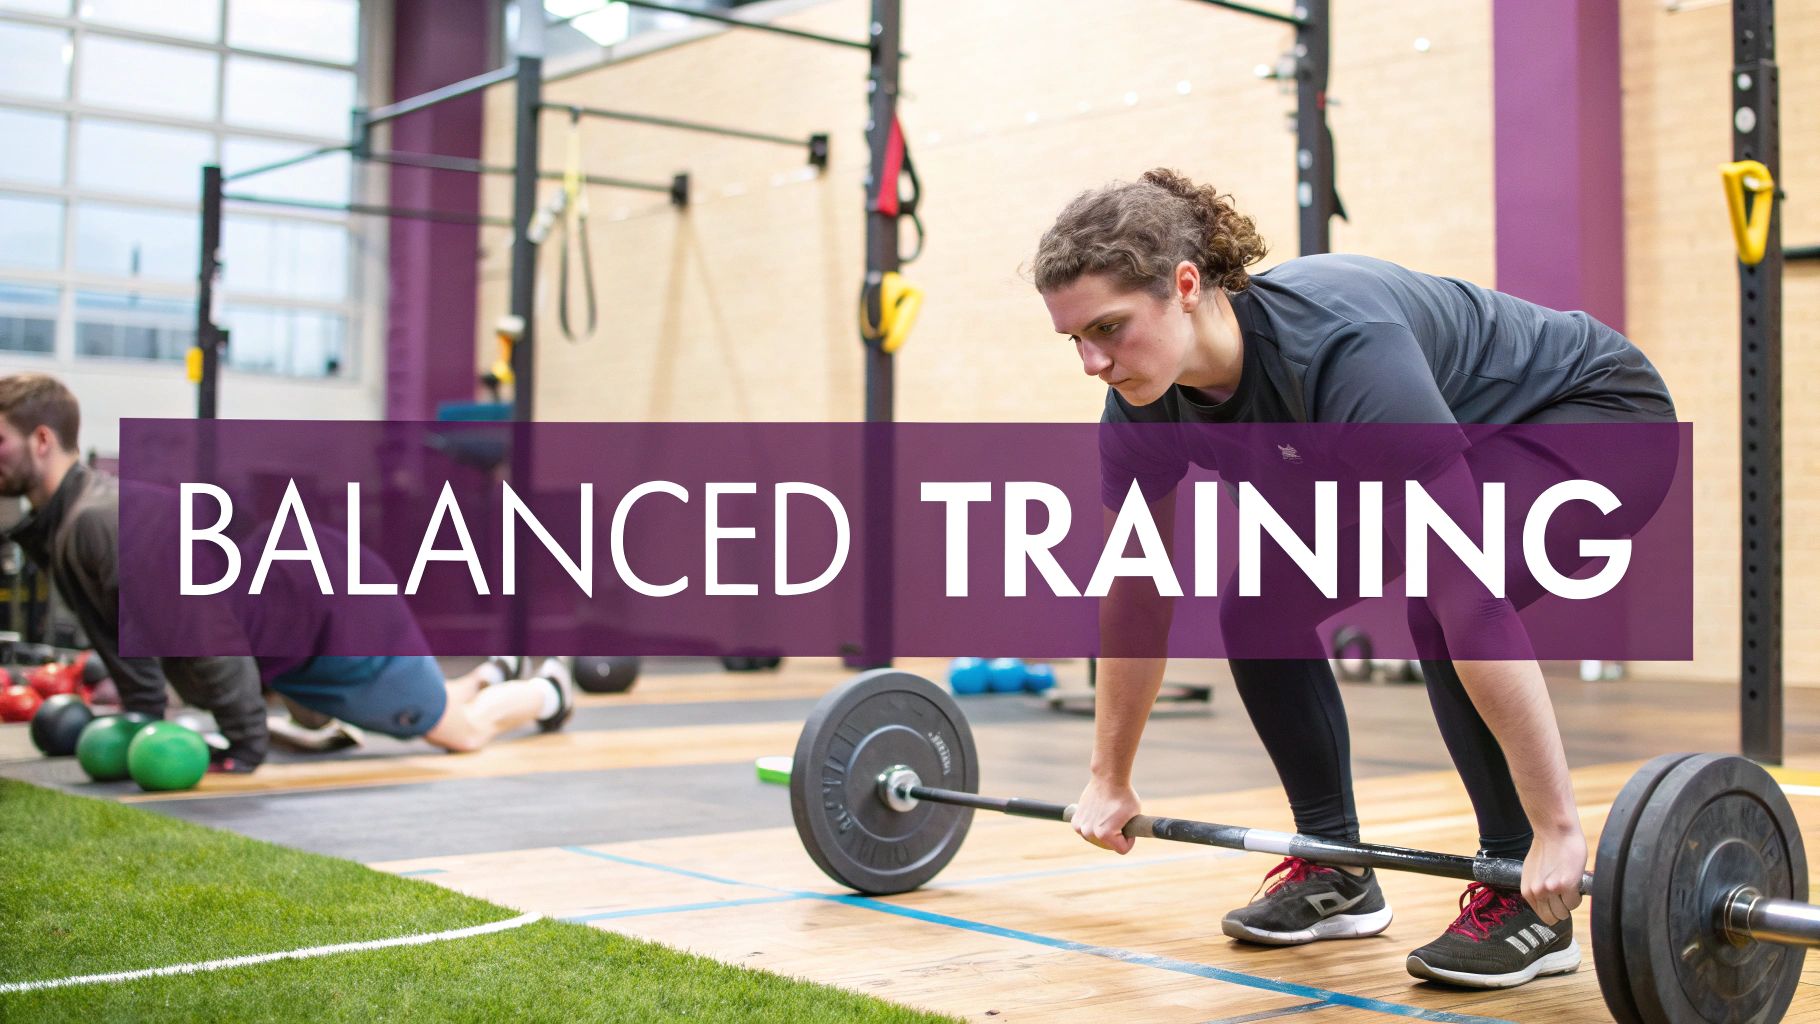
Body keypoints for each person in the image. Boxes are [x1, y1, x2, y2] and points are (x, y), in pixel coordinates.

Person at [1032, 169, 1676, 989]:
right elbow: (1137, 593)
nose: (1092, 361)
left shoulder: (1336, 349)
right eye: (1074, 340)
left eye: (1109, 328)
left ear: (1184, 286)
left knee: (1440, 608)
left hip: (1591, 421)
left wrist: (1559, 829)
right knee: (1259, 607)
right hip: (1425, 450)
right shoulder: (1141, 400)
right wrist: (1109, 776)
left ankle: (1523, 892)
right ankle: (1334, 866)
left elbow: (1471, 599)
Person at [0, 373, 575, 764]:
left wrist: (244, 744)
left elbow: (206, 628)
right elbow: (120, 634)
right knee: (422, 701)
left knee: (458, 733)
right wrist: (142, 720)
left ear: (43, 439)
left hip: (339, 608)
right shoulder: (66, 523)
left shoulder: (98, 521)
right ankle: (493, 673)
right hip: (292, 633)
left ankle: (548, 692)